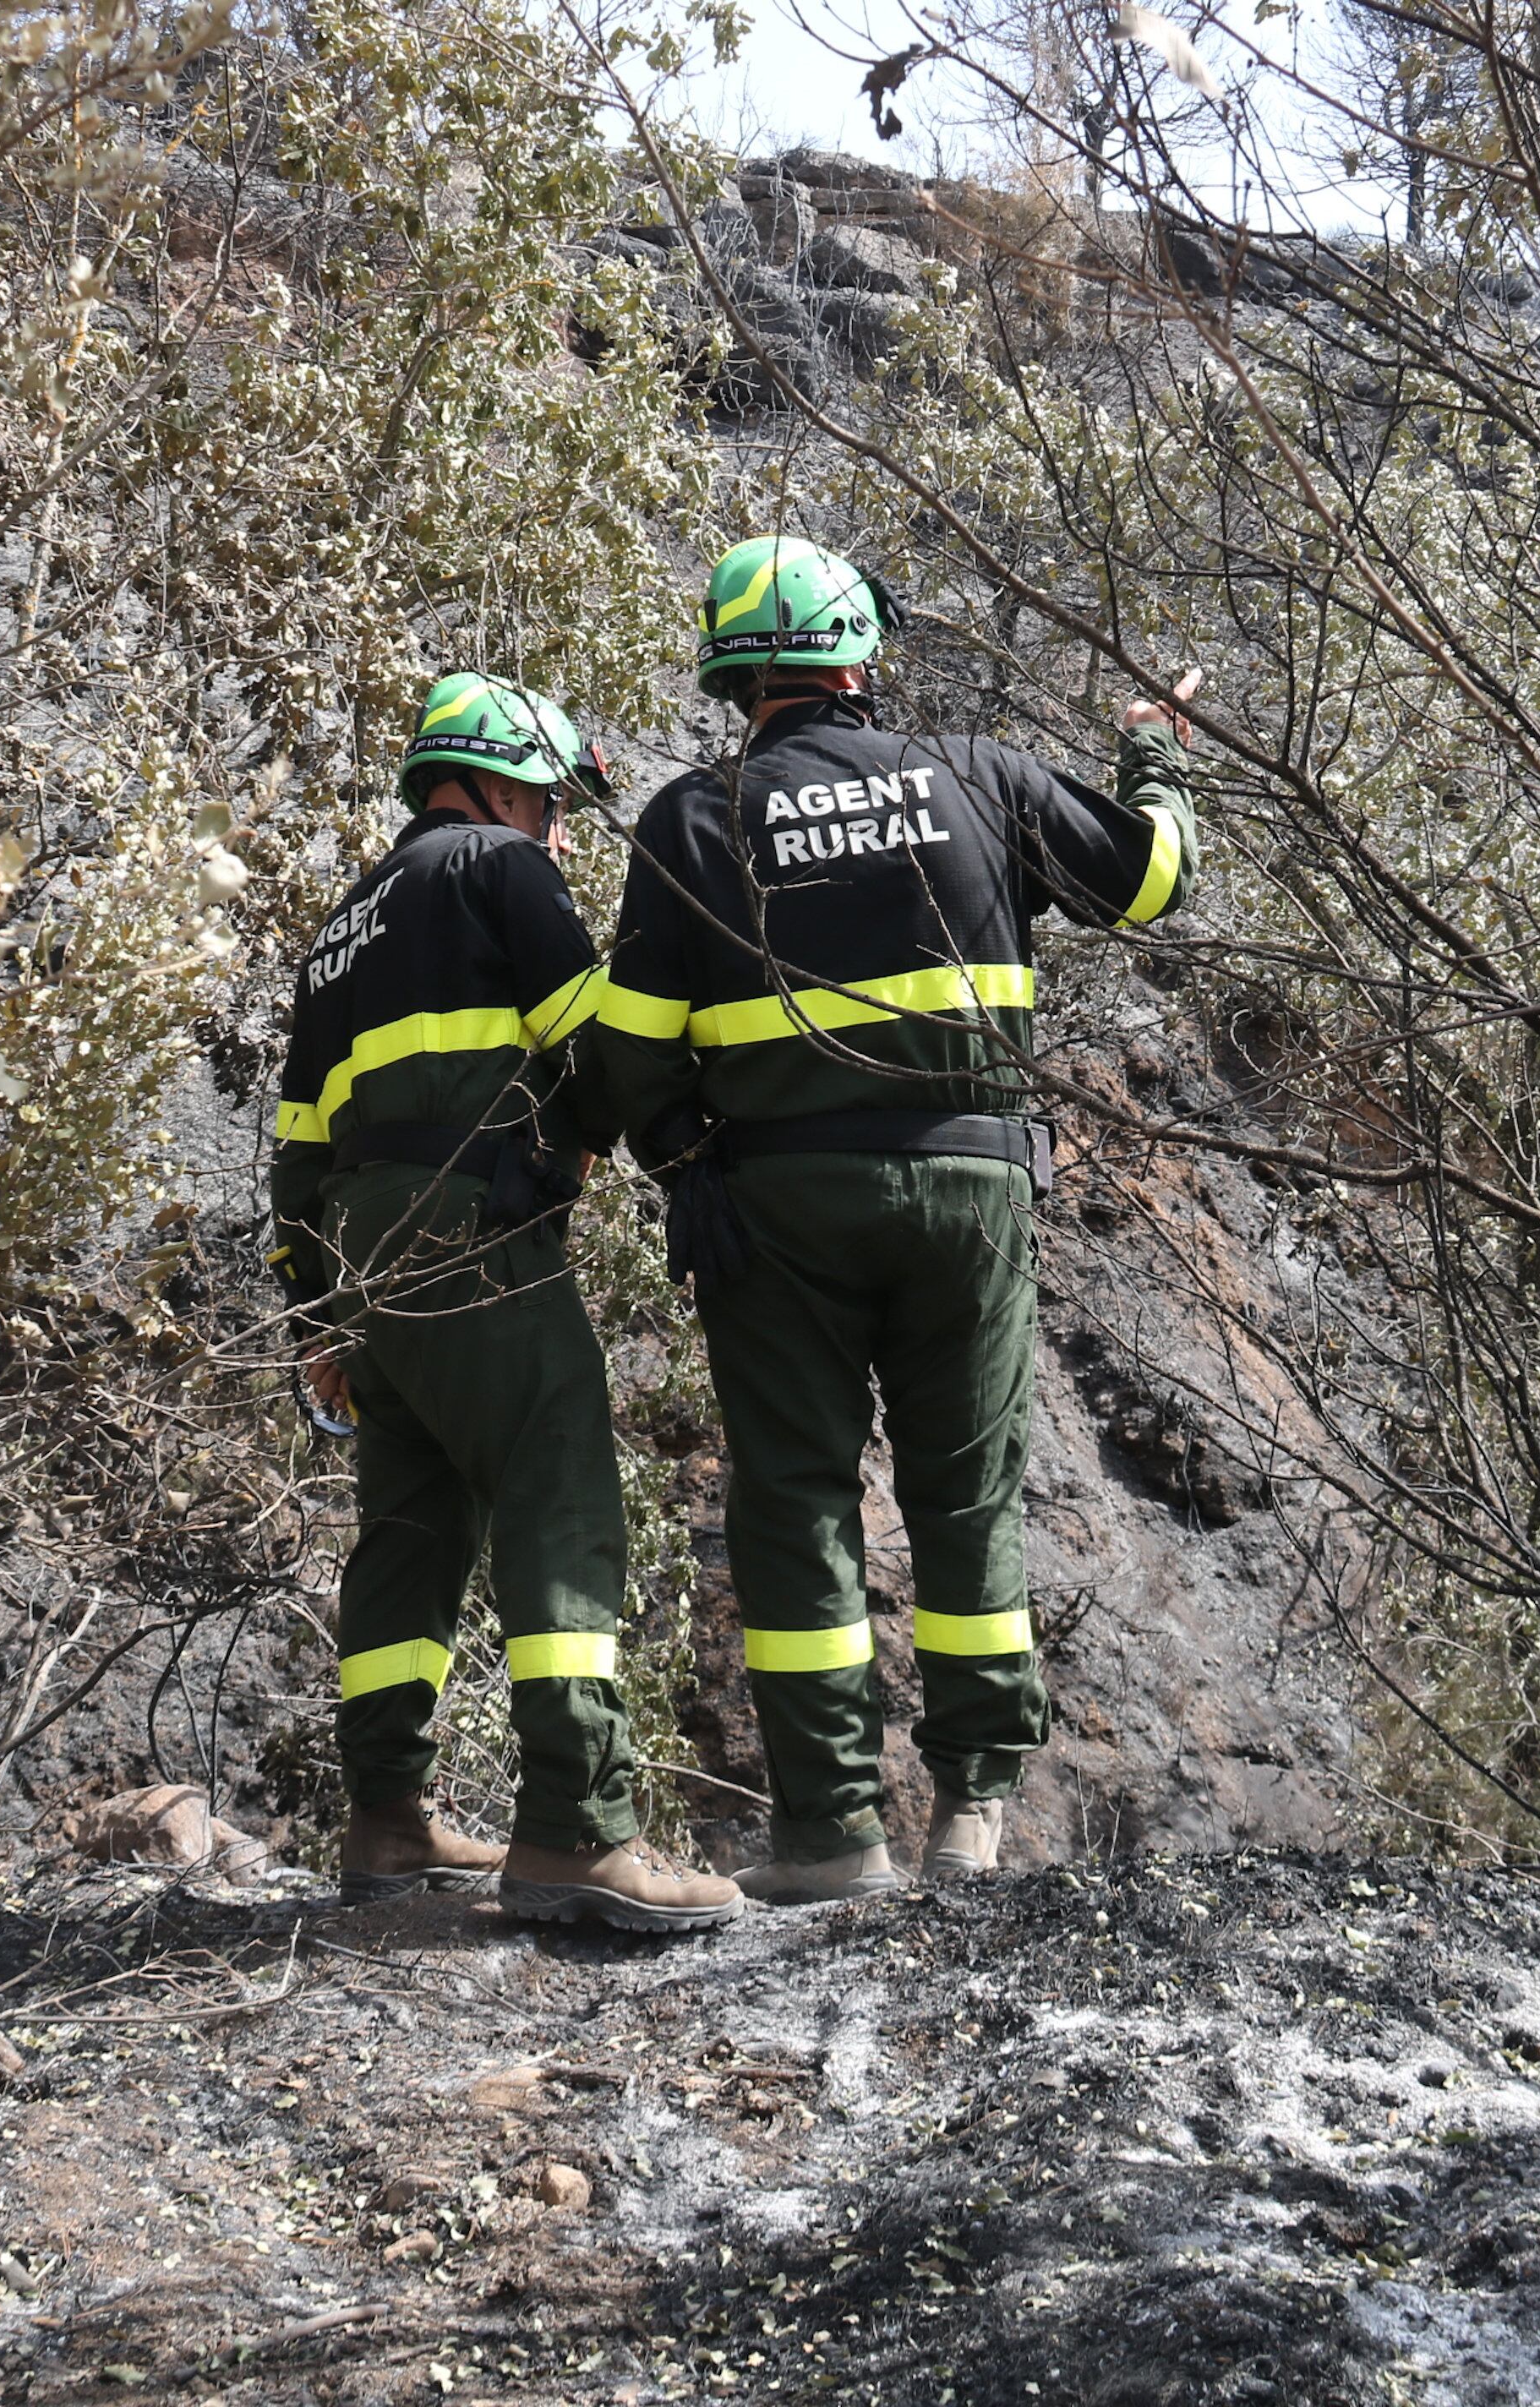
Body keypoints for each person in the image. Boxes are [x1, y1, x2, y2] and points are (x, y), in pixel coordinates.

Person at [583, 537, 1203, 1901]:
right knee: (966, 1494)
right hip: (970, 1194)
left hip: (775, 1208)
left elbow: (627, 1050)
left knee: (797, 1504)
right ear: (860, 652)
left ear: (734, 670)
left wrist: (682, 1149)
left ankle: (831, 1838)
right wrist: (1151, 750)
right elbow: (1153, 880)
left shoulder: (696, 818)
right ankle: (971, 1813)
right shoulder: (982, 776)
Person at [267, 671, 746, 1934]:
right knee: (560, 1493)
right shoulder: (502, 868)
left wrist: (322, 1320)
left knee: (412, 1525)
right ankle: (578, 1834)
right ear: (487, 783)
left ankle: (383, 1820)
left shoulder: (342, 927)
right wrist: (597, 1142)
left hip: (365, 1252)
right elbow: (605, 1041)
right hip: (471, 1227)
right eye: (548, 800)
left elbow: (298, 1149)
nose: (559, 829)